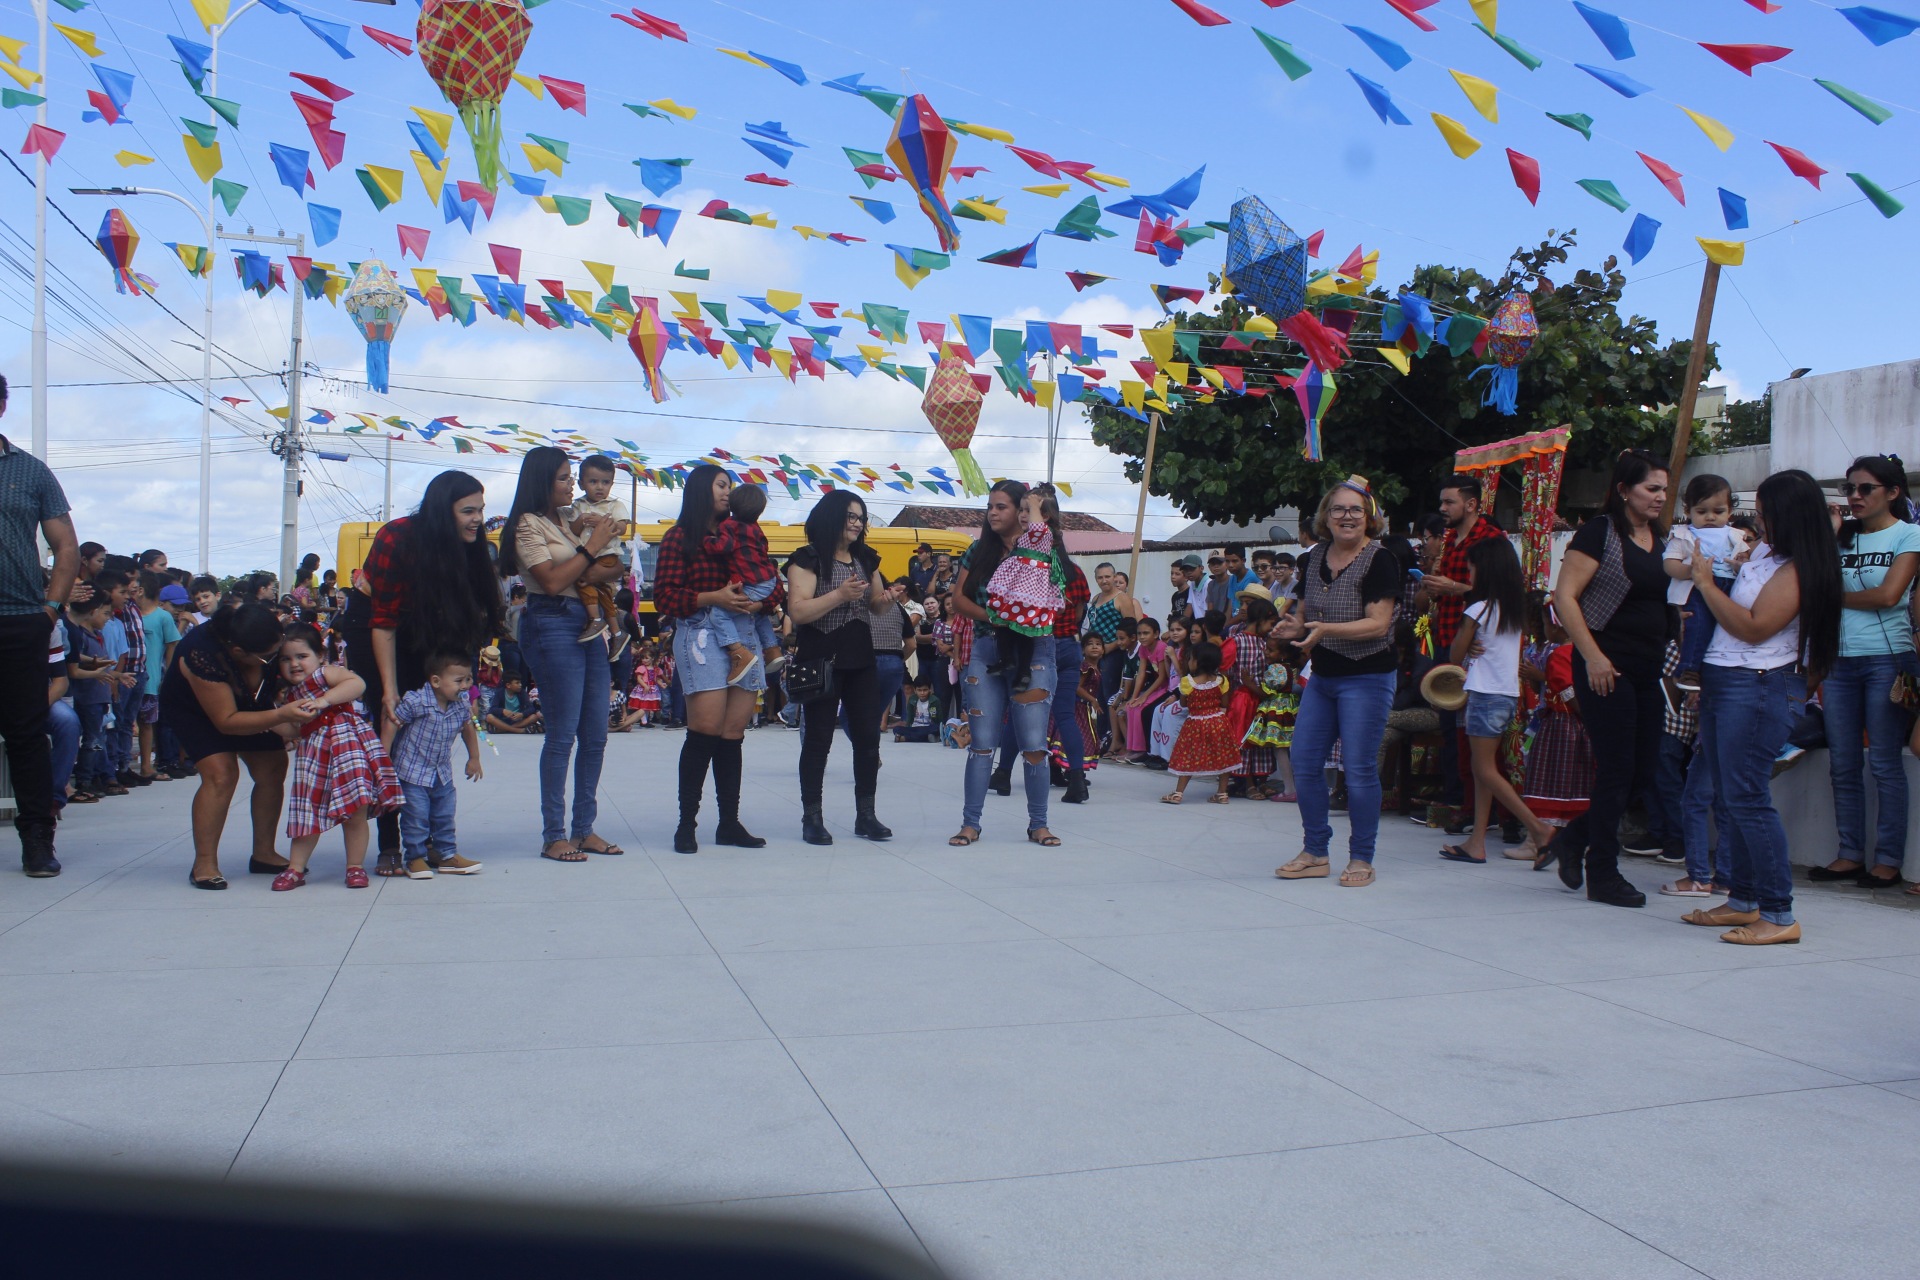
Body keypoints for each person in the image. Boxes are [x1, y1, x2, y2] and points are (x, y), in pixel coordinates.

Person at [1682, 470, 1841, 943]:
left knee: (1748, 798)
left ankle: (1779, 914)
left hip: (1758, 685)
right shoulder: (1764, 553)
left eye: (1766, 513)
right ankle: (1743, 901)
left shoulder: (1798, 568)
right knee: (1733, 797)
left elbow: (1754, 628)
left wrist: (1705, 585)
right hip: (1727, 681)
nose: (1758, 520)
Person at [1548, 450, 1675, 909]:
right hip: (1606, 667)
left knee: (1643, 772)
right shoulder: (1600, 532)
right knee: (1617, 770)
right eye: (1651, 488)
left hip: (1648, 669)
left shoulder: (1661, 538)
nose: (1660, 497)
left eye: (1664, 490)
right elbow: (1565, 597)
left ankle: (1573, 838)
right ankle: (1601, 871)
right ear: (1624, 489)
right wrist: (1594, 657)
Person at [361, 470, 505, 874]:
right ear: (443, 510)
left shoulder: (468, 545)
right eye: (468, 511)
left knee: (431, 735)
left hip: (431, 631)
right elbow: (383, 623)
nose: (477, 519)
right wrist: (390, 690)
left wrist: (462, 682)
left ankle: (432, 845)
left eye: (480, 510)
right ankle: (392, 845)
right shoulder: (397, 537)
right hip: (380, 631)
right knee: (393, 726)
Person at [1273, 476, 1401, 888]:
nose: (1347, 516)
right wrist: (1293, 629)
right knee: (1305, 761)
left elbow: (1378, 624)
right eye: (1339, 509)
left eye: (1356, 510)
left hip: (1368, 675)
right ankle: (1315, 851)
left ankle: (1362, 857)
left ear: (1369, 517)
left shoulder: (1380, 559)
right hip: (1324, 675)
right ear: (1326, 517)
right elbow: (1305, 615)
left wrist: (1324, 630)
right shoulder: (1313, 558)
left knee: (1359, 768)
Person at [498, 447, 623, 864]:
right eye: (565, 477)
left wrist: (593, 561)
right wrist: (592, 552)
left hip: (588, 622)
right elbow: (551, 582)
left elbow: (615, 567)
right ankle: (554, 835)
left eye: (572, 477)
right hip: (552, 620)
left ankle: (584, 829)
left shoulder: (571, 518)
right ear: (542, 482)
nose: (574, 484)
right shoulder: (527, 524)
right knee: (562, 734)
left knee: (596, 734)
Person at [1809, 455, 1920, 889]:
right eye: (1849, 488)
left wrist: (1831, 597)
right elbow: (1814, 584)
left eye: (1865, 488)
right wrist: (1831, 534)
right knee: (1843, 762)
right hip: (1839, 659)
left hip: (1887, 659)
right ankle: (1850, 854)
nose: (1855, 496)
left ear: (1892, 492)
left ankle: (1888, 859)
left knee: (1885, 763)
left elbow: (1889, 596)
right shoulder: (1840, 536)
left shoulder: (1908, 534)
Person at [653, 464, 769, 853]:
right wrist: (713, 598)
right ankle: (686, 824)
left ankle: (729, 824)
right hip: (701, 632)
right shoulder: (678, 537)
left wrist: (760, 601)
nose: (727, 492)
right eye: (721, 485)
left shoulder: (745, 532)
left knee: (733, 734)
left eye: (730, 486)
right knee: (704, 728)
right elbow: (665, 597)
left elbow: (772, 583)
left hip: (745, 632)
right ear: (701, 489)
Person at [161, 603, 318, 888]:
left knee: (272, 767)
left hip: (251, 702)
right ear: (238, 652)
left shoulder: (259, 634)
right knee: (221, 774)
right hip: (195, 711)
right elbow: (227, 721)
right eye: (269, 656)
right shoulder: (200, 654)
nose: (275, 659)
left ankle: (263, 853)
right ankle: (204, 862)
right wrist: (281, 715)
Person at [949, 480, 1063, 847]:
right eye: (990, 507)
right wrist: (998, 618)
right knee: (982, 743)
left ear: (1022, 511)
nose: (993, 513)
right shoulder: (978, 549)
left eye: (1002, 507)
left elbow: (1062, 593)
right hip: (987, 650)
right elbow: (958, 600)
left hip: (1036, 650)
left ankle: (1039, 824)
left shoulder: (1046, 544)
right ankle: (970, 824)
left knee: (1033, 743)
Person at [785, 487, 894, 845]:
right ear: (832, 516)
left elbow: (875, 605)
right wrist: (838, 595)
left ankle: (866, 815)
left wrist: (888, 599)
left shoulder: (866, 557)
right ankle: (812, 817)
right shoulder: (808, 558)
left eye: (861, 517)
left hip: (860, 657)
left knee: (868, 739)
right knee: (818, 740)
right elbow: (798, 611)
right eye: (851, 516)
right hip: (820, 657)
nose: (857, 523)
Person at [1440, 537, 1557, 864]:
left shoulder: (1478, 609)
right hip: (1506, 694)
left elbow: (1454, 656)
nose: (1469, 574)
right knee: (1485, 772)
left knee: (1484, 770)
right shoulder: (1512, 611)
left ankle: (1538, 828)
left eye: (1471, 568)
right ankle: (1476, 842)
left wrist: (1468, 642)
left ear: (1485, 570)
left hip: (1484, 694)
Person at [268, 623, 405, 891]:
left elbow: (357, 683)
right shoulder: (290, 695)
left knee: (355, 812)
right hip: (314, 755)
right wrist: (272, 721)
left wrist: (324, 700)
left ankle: (355, 866)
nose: (294, 664)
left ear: (320, 655)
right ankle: (295, 868)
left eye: (301, 656)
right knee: (307, 812)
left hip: (347, 749)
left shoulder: (325, 674)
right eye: (286, 659)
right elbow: (294, 729)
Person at [381, 650, 485, 881]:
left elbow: (467, 727)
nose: (465, 685)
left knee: (445, 815)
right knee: (416, 817)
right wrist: (383, 758)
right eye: (459, 680)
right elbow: (392, 722)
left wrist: (474, 758)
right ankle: (415, 858)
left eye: (468, 679)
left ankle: (447, 855)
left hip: (441, 772)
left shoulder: (461, 704)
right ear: (436, 681)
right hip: (412, 772)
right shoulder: (416, 701)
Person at [700, 480, 786, 685]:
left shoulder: (729, 525)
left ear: (733, 505)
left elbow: (723, 546)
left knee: (718, 614)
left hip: (753, 583)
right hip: (768, 579)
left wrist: (705, 540)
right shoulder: (756, 528)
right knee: (758, 614)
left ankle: (738, 652)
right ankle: (773, 650)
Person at [981, 487, 1066, 693]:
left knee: (1022, 631)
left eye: (1029, 510)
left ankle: (1020, 669)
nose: (1023, 515)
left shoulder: (1041, 533)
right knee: (1007, 624)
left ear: (1045, 516)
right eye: (1021, 510)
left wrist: (1035, 504)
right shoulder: (1030, 536)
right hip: (1019, 589)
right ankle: (1010, 662)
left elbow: (1036, 528)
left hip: (1027, 591)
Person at [1664, 474, 1742, 691]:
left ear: (1730, 511)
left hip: (1729, 586)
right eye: (1701, 511)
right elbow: (1669, 564)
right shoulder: (1682, 534)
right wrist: (1691, 571)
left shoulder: (1735, 535)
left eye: (1718, 511)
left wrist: (1741, 564)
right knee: (1698, 626)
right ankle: (1689, 670)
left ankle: (1720, 672)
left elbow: (1745, 559)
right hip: (1695, 588)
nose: (1710, 517)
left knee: (1727, 630)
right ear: (1688, 511)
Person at [564, 454, 633, 656]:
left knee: (582, 581)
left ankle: (595, 620)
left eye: (605, 482)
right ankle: (617, 632)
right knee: (603, 594)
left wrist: (603, 522)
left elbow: (622, 528)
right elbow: (574, 530)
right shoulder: (578, 505)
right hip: (586, 553)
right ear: (581, 484)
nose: (600, 487)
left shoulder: (614, 505)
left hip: (606, 554)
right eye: (593, 482)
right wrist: (582, 519)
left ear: (612, 483)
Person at [1161, 640, 1239, 803]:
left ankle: (1178, 793)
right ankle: (1222, 794)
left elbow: (1183, 704)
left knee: (1188, 756)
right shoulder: (1222, 680)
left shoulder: (1187, 681)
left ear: (1198, 662)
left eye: (1190, 659)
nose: (1189, 662)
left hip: (1195, 723)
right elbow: (1225, 703)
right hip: (1218, 722)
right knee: (1224, 756)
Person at [64, 594, 121, 806]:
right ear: (92, 611)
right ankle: (84, 780)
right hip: (86, 696)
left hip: (98, 696)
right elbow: (74, 665)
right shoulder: (76, 633)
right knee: (91, 741)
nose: (108, 618)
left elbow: (82, 660)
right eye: (105, 613)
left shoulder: (96, 634)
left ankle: (95, 776)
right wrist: (96, 671)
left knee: (96, 740)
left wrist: (114, 674)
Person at [1049, 553, 1093, 802]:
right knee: (1066, 715)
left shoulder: (1033, 570)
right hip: (1069, 644)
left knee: (1021, 712)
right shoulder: (1075, 572)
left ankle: (1003, 772)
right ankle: (1076, 779)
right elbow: (1078, 614)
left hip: (1041, 645)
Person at [134, 568, 181, 781]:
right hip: (129, 678)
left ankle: (146, 765)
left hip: (151, 679)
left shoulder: (163, 617)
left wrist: (168, 675)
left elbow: (172, 645)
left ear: (141, 590)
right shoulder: (129, 614)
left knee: (147, 723)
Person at [1246, 632, 1301, 803]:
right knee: (1288, 749)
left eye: (1270, 650)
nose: (1266, 652)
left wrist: (1248, 683)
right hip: (1290, 709)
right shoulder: (1291, 668)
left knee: (1280, 749)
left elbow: (1265, 693)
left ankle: (1289, 789)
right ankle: (1296, 787)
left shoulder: (1276, 669)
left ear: (1282, 654)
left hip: (1277, 711)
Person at [897, 679, 941, 743]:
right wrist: (908, 726)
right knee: (897, 729)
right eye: (919, 690)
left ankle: (904, 738)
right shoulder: (912, 699)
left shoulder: (934, 701)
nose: (922, 693)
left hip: (928, 728)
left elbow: (939, 720)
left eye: (925, 690)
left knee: (935, 729)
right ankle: (927, 738)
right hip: (915, 728)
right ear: (915, 690)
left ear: (930, 690)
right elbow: (909, 718)